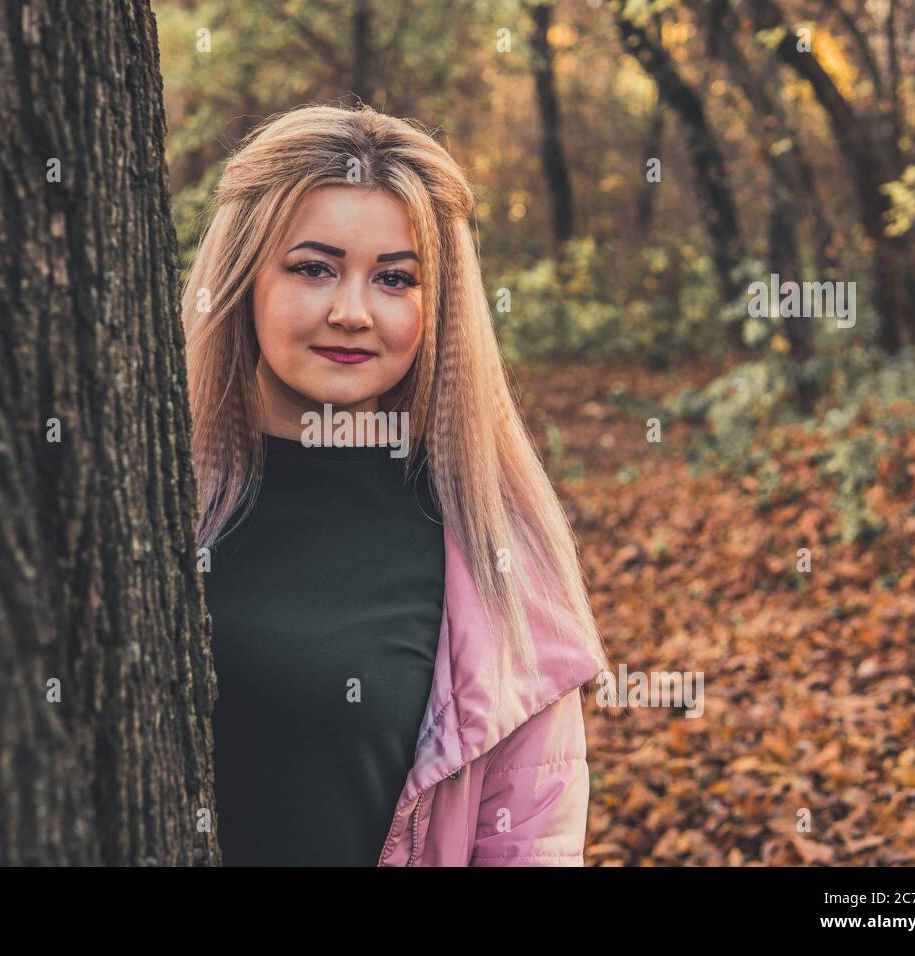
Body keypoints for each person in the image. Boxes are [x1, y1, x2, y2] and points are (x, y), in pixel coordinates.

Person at [181, 103, 611, 866]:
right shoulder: (160, 506)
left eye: (394, 279)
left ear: (434, 306)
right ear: (244, 275)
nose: (351, 312)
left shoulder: (495, 561)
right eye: (313, 268)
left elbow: (530, 847)